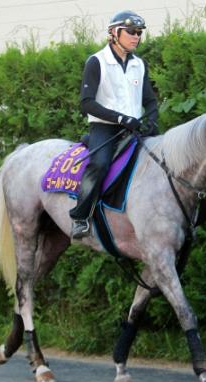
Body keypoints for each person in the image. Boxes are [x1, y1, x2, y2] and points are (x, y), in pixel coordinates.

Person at [69, 10, 158, 239]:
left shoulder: (140, 64)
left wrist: (152, 119)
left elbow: (149, 99)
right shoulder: (96, 61)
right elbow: (86, 103)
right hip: (105, 128)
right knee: (99, 164)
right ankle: (80, 216)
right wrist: (121, 118)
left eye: (139, 32)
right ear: (114, 33)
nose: (136, 36)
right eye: (131, 31)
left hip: (134, 127)